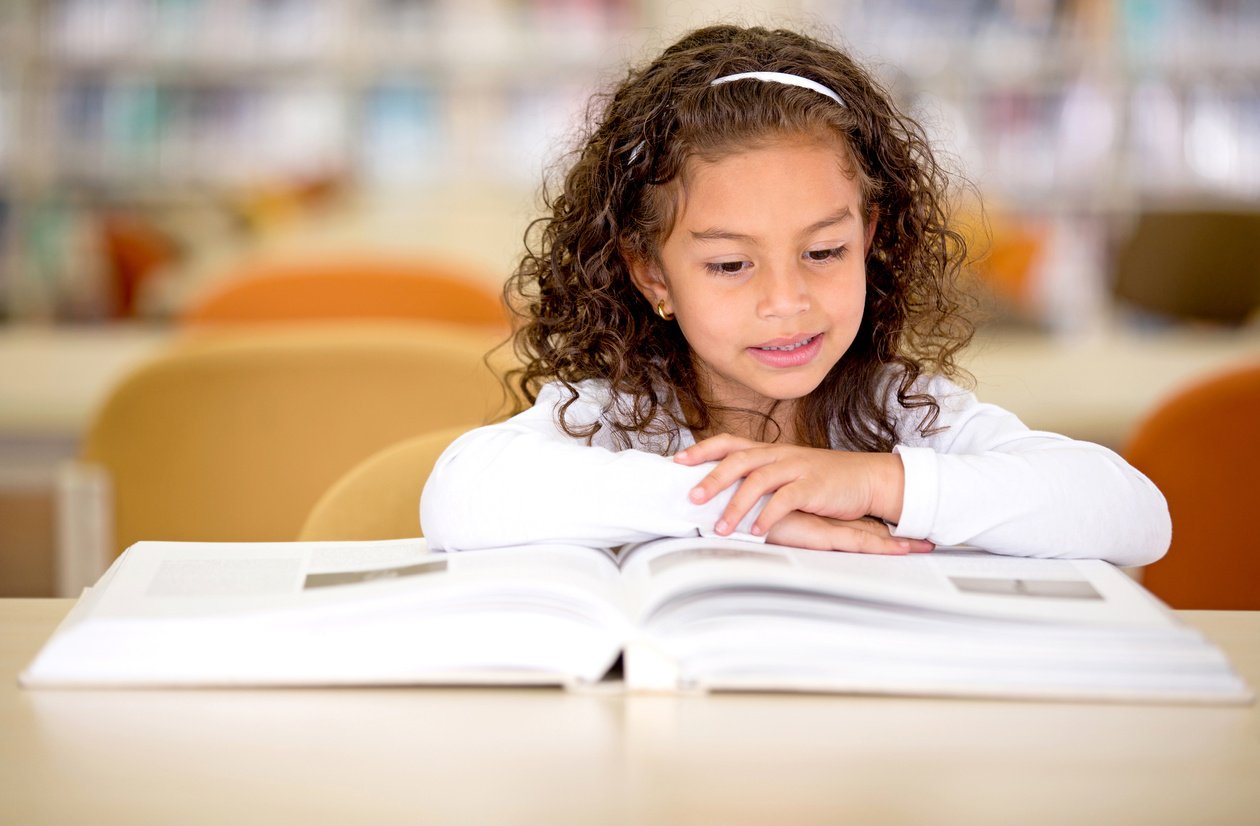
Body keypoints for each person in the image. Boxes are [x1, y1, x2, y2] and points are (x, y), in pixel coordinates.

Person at [420, 24, 1170, 567]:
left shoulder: (899, 415)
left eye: (823, 252)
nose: (787, 301)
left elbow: (1135, 517)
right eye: (728, 265)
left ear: (870, 238)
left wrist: (874, 481)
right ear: (653, 275)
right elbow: (460, 494)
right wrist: (752, 510)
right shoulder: (621, 415)